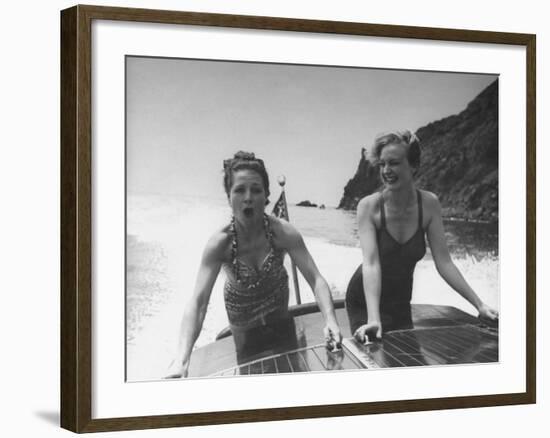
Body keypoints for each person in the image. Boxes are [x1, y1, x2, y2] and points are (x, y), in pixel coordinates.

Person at [165, 151, 342, 378]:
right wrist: (181, 360)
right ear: (229, 197)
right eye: (239, 190)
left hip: (282, 327)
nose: (248, 197)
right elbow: (198, 303)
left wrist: (331, 321)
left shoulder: (284, 233)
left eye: (256, 190)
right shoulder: (220, 244)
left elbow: (316, 280)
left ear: (266, 195)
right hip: (244, 336)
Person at [346, 130, 499, 343]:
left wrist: (479, 304)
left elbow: (444, 262)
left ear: (414, 165)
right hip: (365, 301)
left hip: (400, 301)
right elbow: (371, 264)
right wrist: (374, 318)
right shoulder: (369, 206)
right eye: (382, 164)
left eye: (394, 163)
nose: (386, 170)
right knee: (373, 358)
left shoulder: (429, 204)